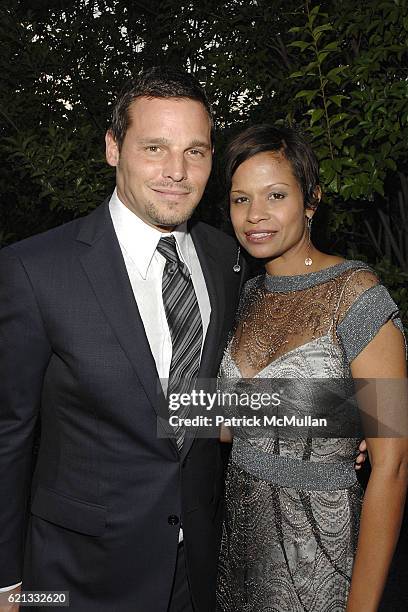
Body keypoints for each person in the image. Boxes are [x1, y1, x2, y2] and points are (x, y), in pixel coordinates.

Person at [0, 67, 247, 612]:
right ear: (113, 148)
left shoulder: (224, 257)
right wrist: (6, 581)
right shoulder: (34, 269)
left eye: (196, 152)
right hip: (72, 579)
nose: (177, 172)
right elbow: (7, 434)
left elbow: (195, 407)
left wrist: (355, 418)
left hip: (196, 571)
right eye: (155, 147)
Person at [216, 124, 408, 611]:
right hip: (238, 545)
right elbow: (227, 424)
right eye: (240, 200)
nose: (255, 216)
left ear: (311, 200)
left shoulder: (357, 294)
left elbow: (393, 465)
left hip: (320, 550)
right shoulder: (248, 296)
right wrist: (337, 415)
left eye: (275, 195)